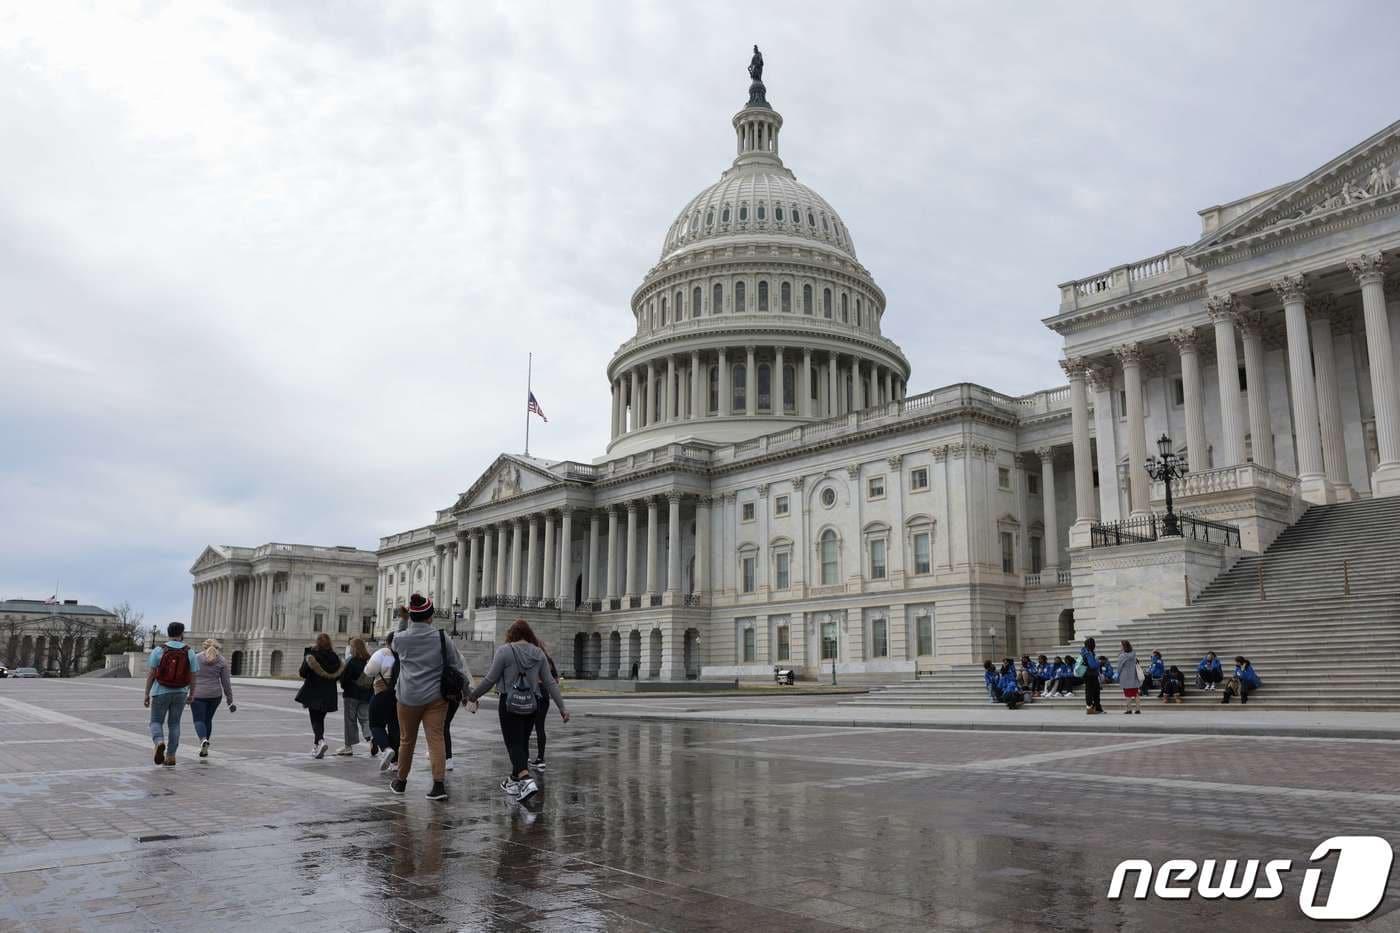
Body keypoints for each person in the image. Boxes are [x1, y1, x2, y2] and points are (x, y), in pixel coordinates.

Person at [467, 618, 569, 801]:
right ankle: (513, 781)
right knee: (521, 743)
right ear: (529, 634)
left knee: (512, 743)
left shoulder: (504, 651)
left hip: (509, 703)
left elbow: (490, 680)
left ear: (511, 635)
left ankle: (525, 778)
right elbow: (550, 683)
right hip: (532, 704)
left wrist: (473, 696)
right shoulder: (538, 653)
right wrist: (562, 708)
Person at [390, 594, 465, 801]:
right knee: (436, 738)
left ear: (412, 617)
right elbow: (457, 665)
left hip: (408, 697)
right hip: (435, 697)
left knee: (406, 740)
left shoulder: (401, 638)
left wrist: (403, 620)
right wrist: (468, 693)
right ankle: (438, 785)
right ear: (430, 617)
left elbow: (394, 644)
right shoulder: (442, 637)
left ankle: (401, 781)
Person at [144, 622, 199, 767]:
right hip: (181, 692)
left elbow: (151, 674)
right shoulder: (190, 651)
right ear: (182, 633)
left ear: (168, 633)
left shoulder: (159, 650)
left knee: (156, 721)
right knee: (174, 724)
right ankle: (171, 756)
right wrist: (192, 694)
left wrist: (146, 694)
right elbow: (193, 676)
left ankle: (159, 741)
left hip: (160, 691)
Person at [296, 633, 343, 758]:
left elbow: (302, 673)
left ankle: (321, 741)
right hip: (329, 693)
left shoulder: (312, 655)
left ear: (317, 642)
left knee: (315, 719)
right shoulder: (335, 657)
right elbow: (338, 675)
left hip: (314, 690)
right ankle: (317, 745)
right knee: (320, 719)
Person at [189, 638, 235, 758]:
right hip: (215, 695)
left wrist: (187, 693)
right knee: (207, 720)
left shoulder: (196, 658)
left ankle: (203, 740)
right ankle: (205, 747)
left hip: (198, 694)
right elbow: (226, 682)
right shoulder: (222, 660)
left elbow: (190, 677)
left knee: (199, 720)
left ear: (204, 647)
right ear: (217, 647)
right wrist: (229, 699)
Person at [365, 630, 400, 772]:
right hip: (399, 696)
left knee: (375, 724)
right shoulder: (404, 654)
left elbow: (369, 671)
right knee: (394, 727)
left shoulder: (384, 653)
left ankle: (386, 749)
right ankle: (395, 762)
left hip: (382, 693)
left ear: (387, 641)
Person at [336, 637, 374, 756]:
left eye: (351, 646)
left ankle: (348, 747)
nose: (350, 648)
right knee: (365, 718)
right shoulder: (369, 660)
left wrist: (344, 685)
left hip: (351, 695)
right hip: (367, 694)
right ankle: (371, 739)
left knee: (350, 720)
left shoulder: (351, 661)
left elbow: (343, 678)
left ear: (354, 648)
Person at [531, 642, 560, 770]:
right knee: (540, 727)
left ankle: (525, 756)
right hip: (545, 694)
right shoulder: (549, 661)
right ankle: (540, 758)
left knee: (526, 726)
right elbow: (556, 680)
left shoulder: (533, 658)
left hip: (533, 693)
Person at [1117, 640, 1142, 715]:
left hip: (1125, 676)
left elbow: (1119, 667)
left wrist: (1118, 674)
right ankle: (1138, 709)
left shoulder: (1122, 656)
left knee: (1127, 694)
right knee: (1136, 693)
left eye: (1121, 645)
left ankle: (1129, 709)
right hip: (1133, 676)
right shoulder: (1133, 654)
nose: (1120, 647)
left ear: (1124, 646)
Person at [1080, 637, 1103, 714]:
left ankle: (1095, 708)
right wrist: (1099, 662)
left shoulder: (1084, 652)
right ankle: (1091, 708)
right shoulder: (1088, 653)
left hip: (1088, 674)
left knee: (1091, 691)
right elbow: (1092, 665)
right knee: (1093, 692)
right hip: (1091, 675)